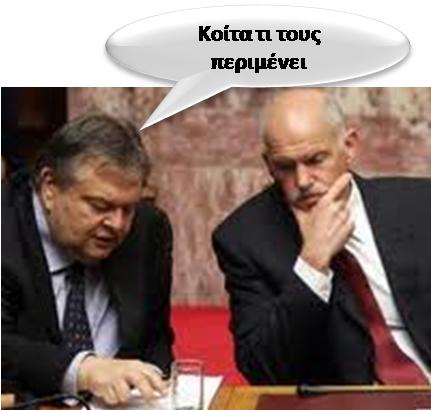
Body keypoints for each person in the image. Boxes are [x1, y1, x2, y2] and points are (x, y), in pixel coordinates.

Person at [212, 88, 431, 385]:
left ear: (349, 146)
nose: (302, 181)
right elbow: (264, 370)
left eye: (315, 160)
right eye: (285, 166)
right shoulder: (244, 239)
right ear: (268, 165)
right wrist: (312, 263)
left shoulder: (420, 205)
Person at [2, 114, 174, 404]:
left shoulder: (147, 230)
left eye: (128, 209)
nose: (117, 224)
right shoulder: (5, 231)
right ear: (49, 188)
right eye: (100, 206)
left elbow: (154, 340)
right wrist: (82, 370)